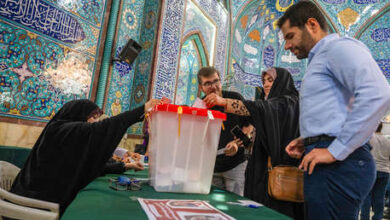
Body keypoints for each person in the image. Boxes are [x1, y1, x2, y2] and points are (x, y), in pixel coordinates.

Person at [277, 1, 390, 219]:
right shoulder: (322, 57)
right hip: (330, 161)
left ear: (311, 24)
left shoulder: (337, 48)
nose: (287, 46)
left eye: (290, 36)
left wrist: (336, 149)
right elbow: (337, 109)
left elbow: (378, 94)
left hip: (340, 165)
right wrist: (309, 139)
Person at [10, 98, 162, 215]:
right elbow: (101, 129)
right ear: (78, 113)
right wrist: (141, 110)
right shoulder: (61, 130)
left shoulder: (63, 131)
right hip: (35, 202)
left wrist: (124, 166)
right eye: (92, 117)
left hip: (40, 196)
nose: (94, 122)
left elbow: (85, 165)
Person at [204, 67, 303, 219]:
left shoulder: (289, 102)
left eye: (271, 80)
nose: (266, 85)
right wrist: (244, 143)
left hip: (281, 176)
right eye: (264, 81)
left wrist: (223, 102)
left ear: (282, 82)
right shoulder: (270, 105)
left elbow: (257, 108)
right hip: (261, 172)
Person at [197, 66, 249, 196]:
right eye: (207, 83)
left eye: (216, 81)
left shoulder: (233, 99)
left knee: (236, 205)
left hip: (236, 165)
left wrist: (237, 144)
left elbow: (250, 126)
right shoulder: (200, 107)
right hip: (211, 169)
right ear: (201, 87)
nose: (213, 86)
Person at [361, 123, 390, 220]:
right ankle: (378, 217)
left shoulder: (369, 138)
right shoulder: (387, 141)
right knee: (380, 196)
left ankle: (364, 217)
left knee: (367, 196)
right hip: (385, 171)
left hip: (371, 170)